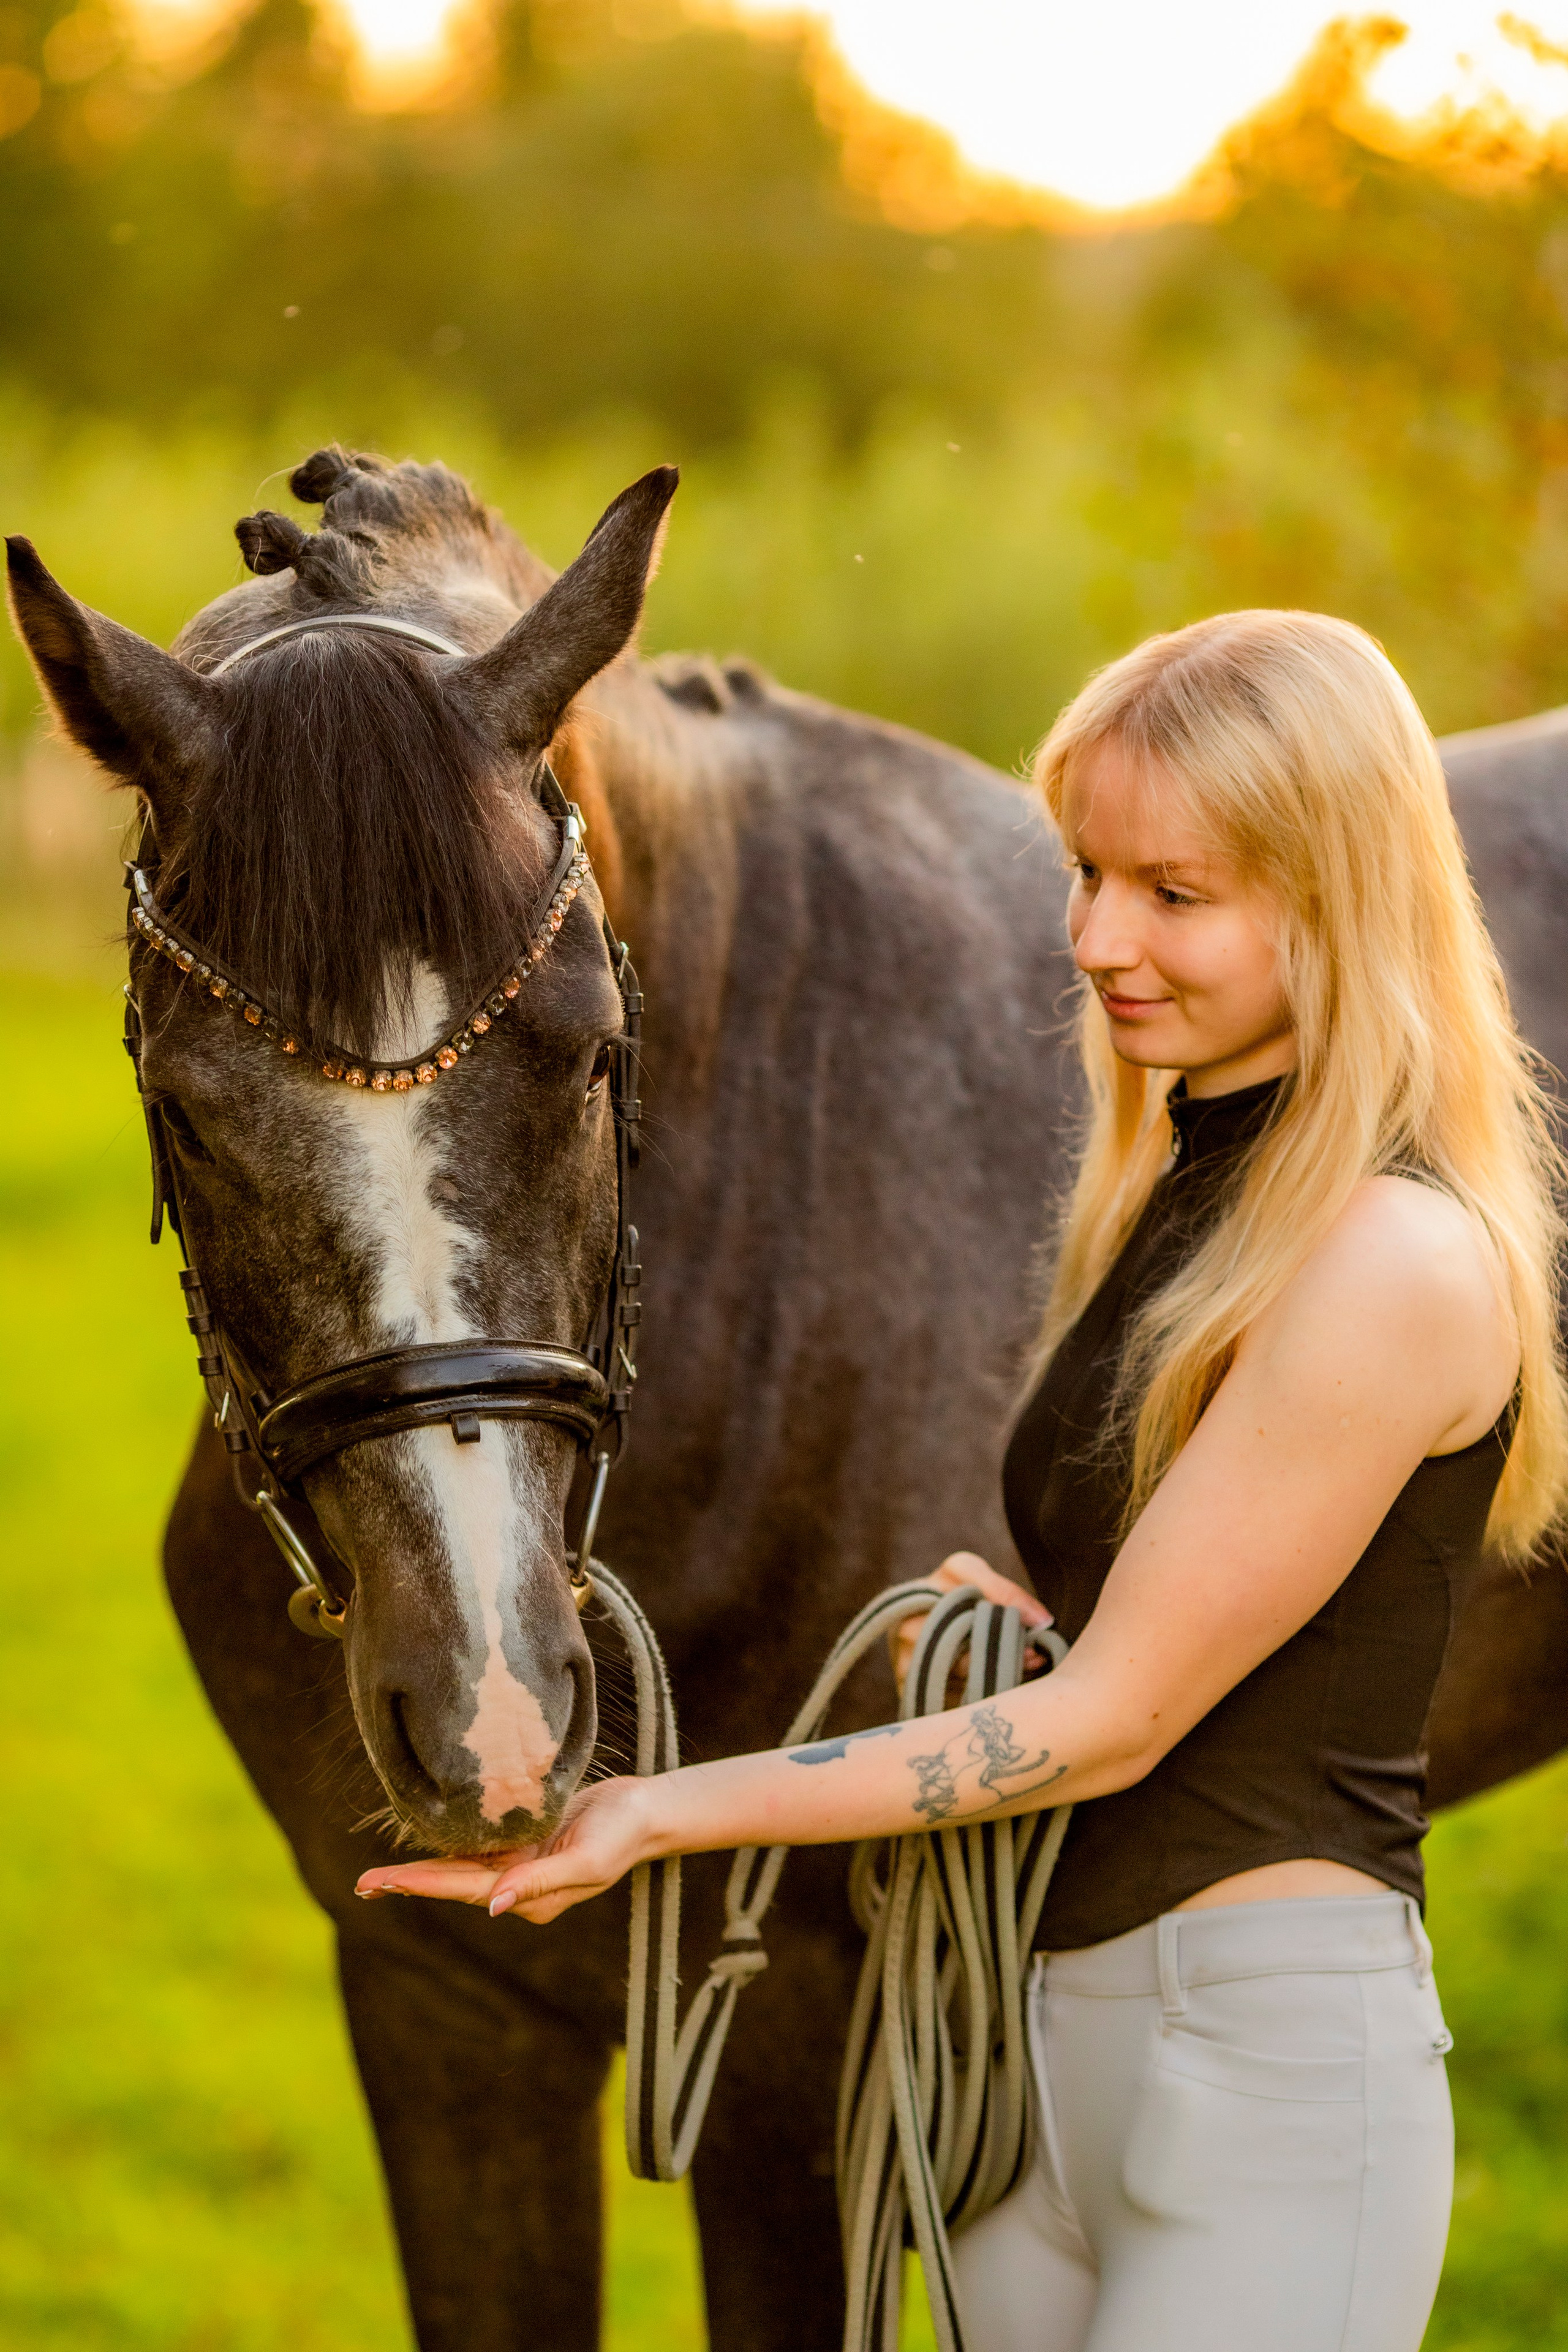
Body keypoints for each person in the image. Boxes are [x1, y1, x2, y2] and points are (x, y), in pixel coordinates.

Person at [358, 610, 1568, 2351]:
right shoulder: (1182, 1192)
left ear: (1339, 892)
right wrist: (1046, 1623)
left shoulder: (1395, 1259)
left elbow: (1119, 1720)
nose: (1094, 938)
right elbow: (1140, 1630)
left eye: (1175, 892)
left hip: (1266, 2082)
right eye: (1085, 871)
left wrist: (661, 1810)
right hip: (1042, 2060)